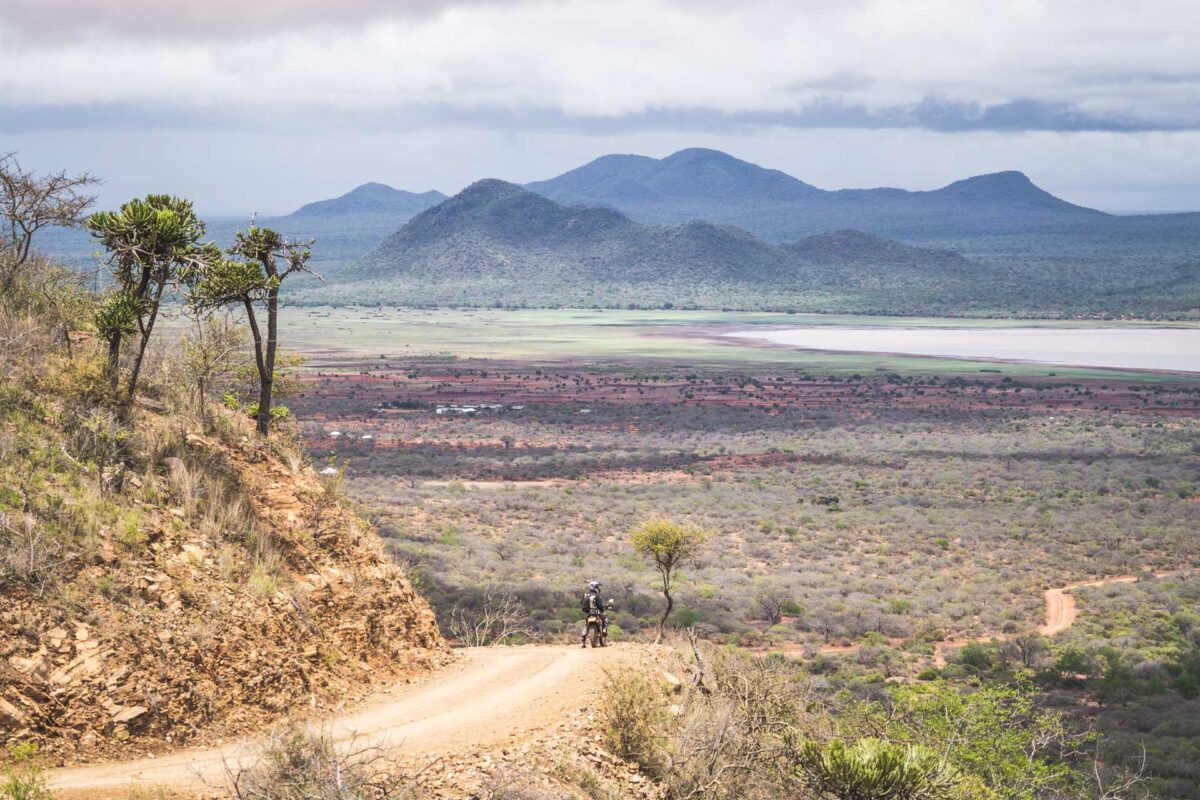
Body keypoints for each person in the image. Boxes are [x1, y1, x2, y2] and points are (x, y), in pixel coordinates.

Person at [580, 580, 608, 648]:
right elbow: (600, 606)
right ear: (595, 587)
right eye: (597, 587)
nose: (598, 588)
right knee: (605, 618)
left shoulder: (585, 594)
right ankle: (604, 630)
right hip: (596, 613)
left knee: (586, 625)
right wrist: (602, 609)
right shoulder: (597, 595)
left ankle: (583, 640)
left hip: (588, 613)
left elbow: (581, 603)